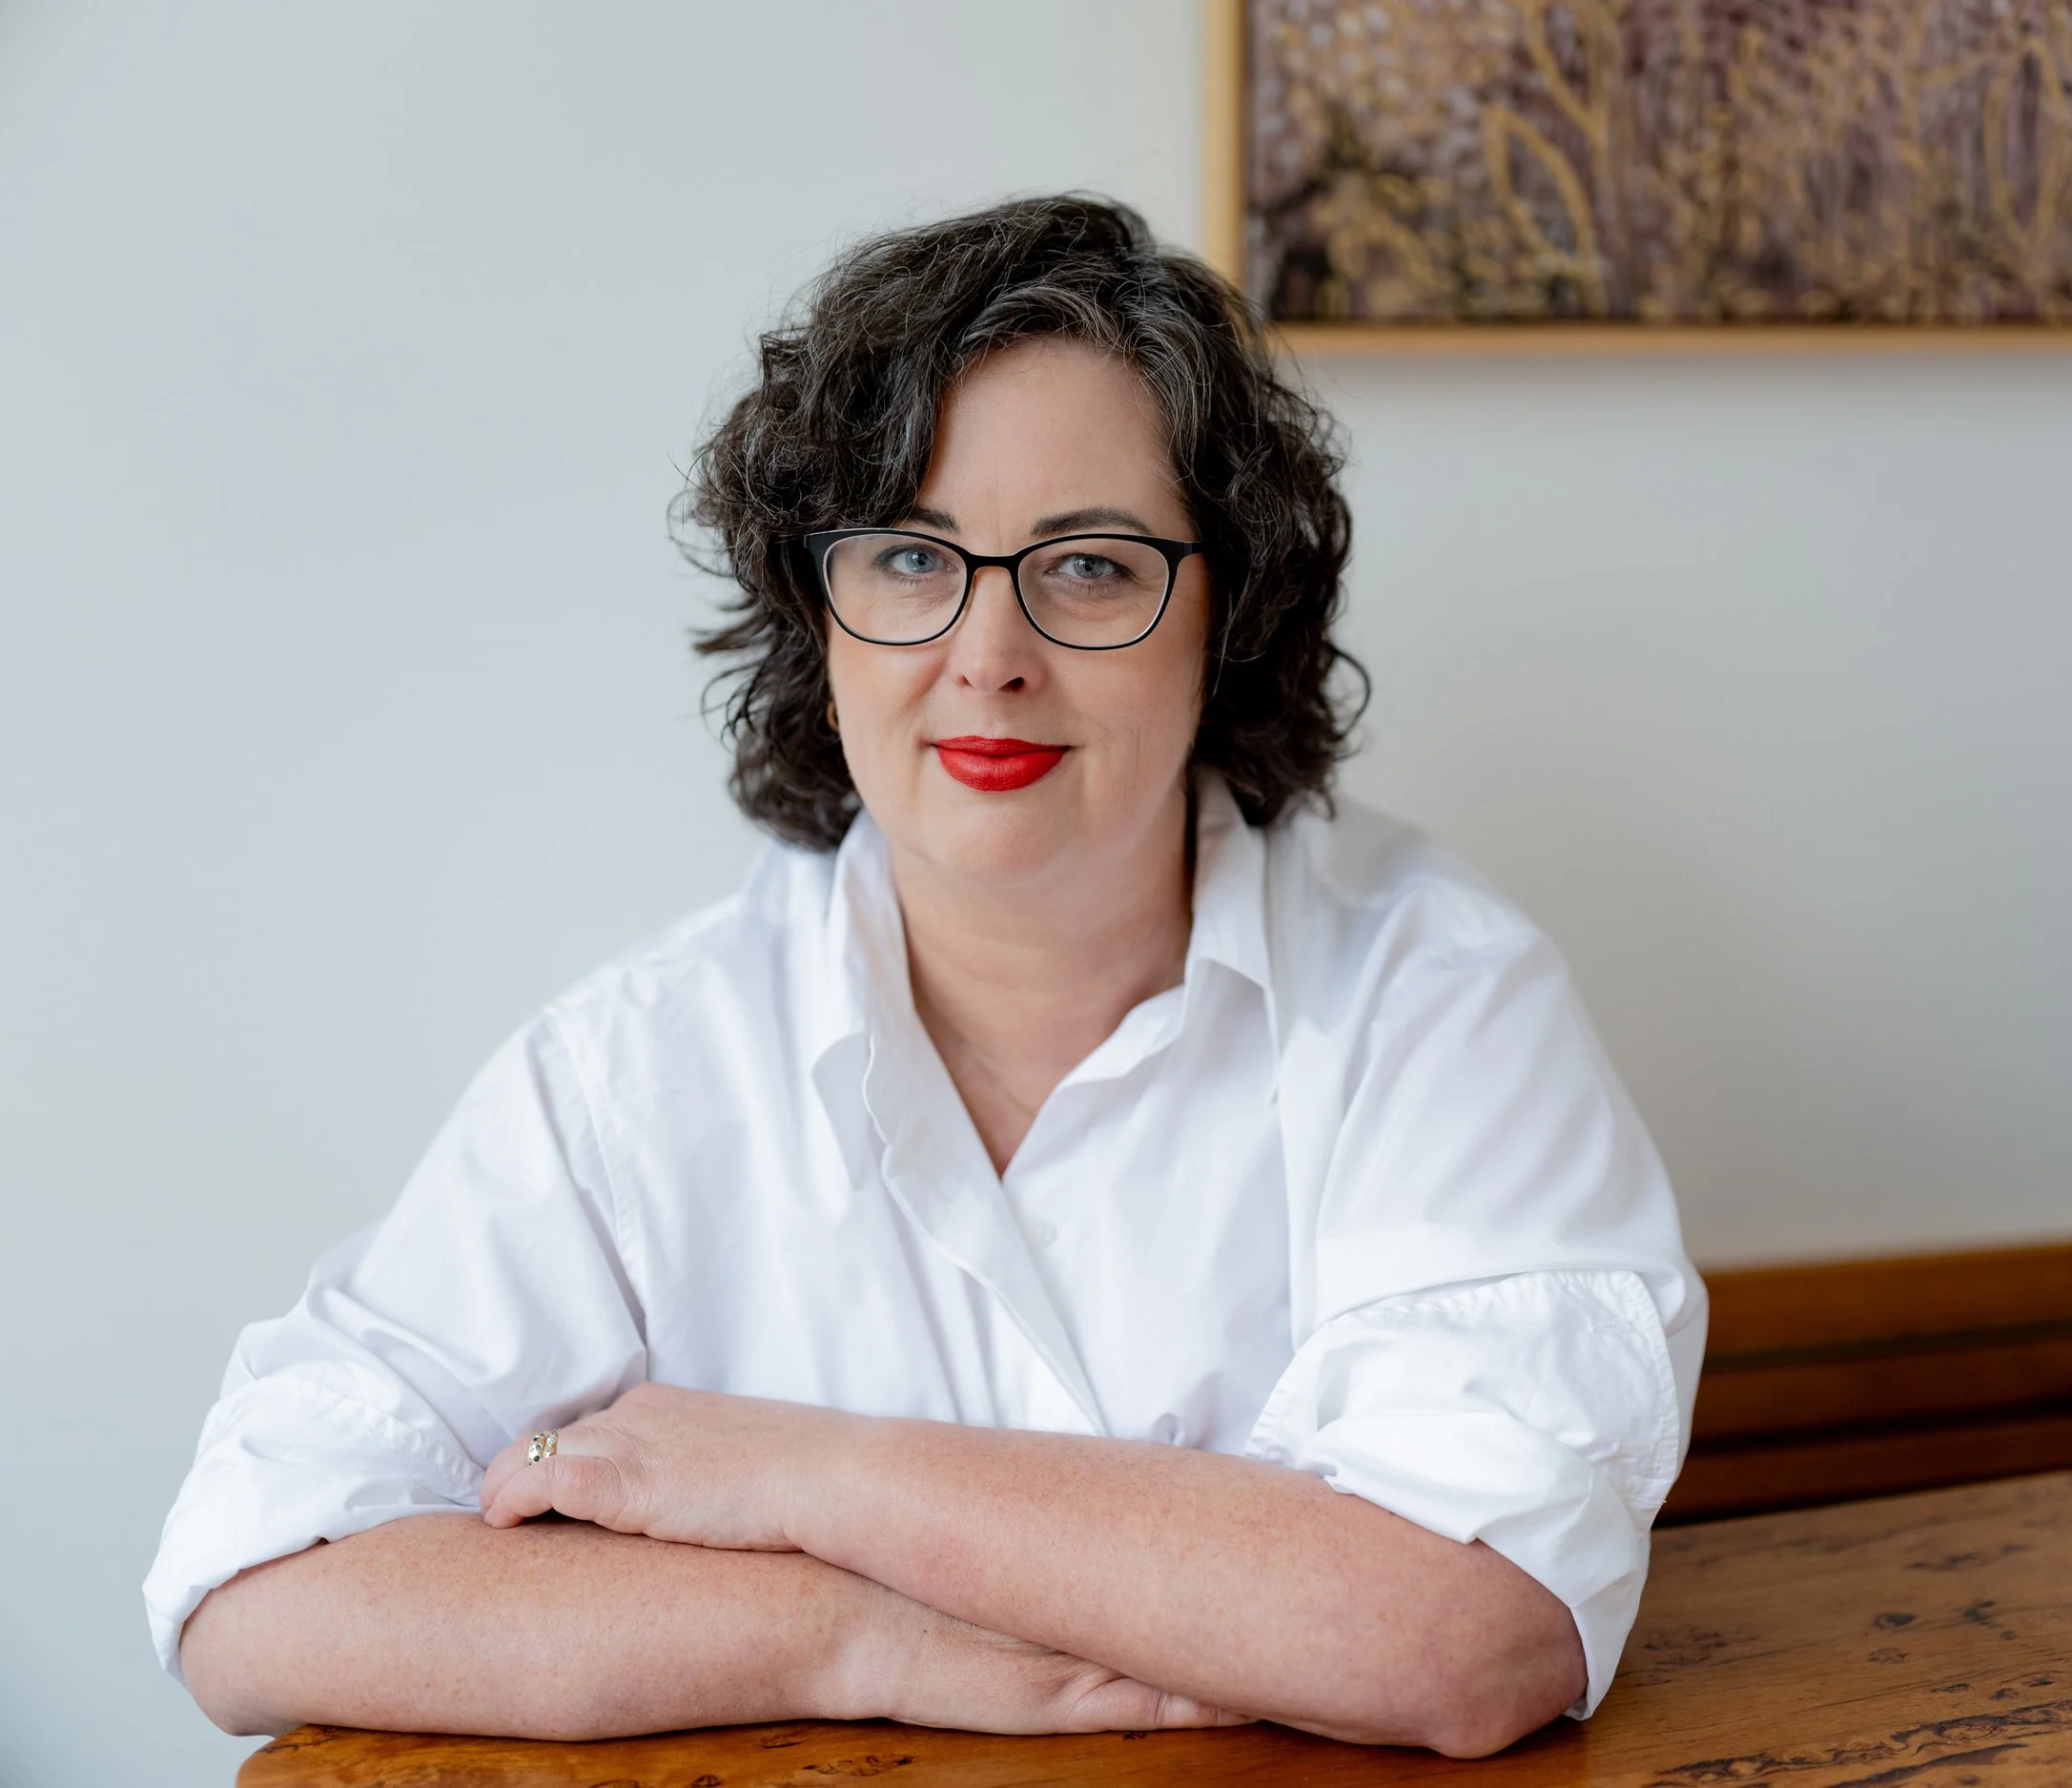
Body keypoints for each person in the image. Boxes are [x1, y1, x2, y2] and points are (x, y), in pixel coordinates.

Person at [150, 195, 1705, 1758]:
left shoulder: (1431, 993)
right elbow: (254, 1588)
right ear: (817, 618)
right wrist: (860, 1631)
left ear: (1226, 613)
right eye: (909, 556)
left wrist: (806, 1473)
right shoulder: (635, 1070)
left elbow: (1470, 1630)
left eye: (1088, 566)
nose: (989, 654)